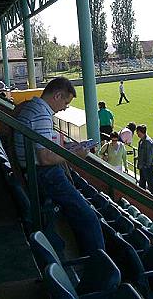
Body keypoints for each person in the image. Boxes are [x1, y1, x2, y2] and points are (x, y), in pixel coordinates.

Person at [14, 77, 104, 255]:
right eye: (65, 102)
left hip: (36, 170)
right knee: (88, 216)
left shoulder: (33, 107)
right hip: (43, 174)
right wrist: (75, 154)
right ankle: (99, 262)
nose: (65, 107)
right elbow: (45, 158)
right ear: (57, 96)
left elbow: (44, 148)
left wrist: (68, 147)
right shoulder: (41, 114)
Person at [136, 125, 153, 195]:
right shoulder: (142, 140)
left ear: (142, 132)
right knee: (141, 185)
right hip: (143, 167)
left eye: (137, 132)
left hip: (147, 168)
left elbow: (149, 156)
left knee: (151, 185)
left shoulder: (147, 141)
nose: (137, 134)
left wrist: (146, 166)